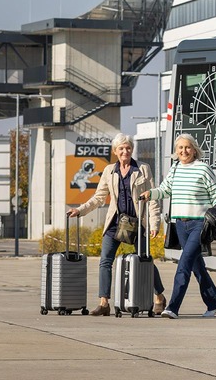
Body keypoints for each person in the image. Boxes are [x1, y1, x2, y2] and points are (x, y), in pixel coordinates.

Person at [67, 134, 167, 316]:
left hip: (137, 222)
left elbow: (152, 199)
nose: (125, 151)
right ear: (115, 152)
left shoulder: (143, 169)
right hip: (115, 222)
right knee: (105, 260)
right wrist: (80, 210)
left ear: (132, 150)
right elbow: (98, 198)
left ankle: (159, 296)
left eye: (128, 148)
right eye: (121, 148)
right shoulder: (108, 171)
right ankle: (104, 302)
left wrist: (154, 224)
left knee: (145, 260)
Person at [140, 133, 216, 319]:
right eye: (180, 148)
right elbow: (165, 190)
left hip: (199, 224)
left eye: (187, 147)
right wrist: (150, 194)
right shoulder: (175, 168)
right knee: (197, 267)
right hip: (180, 224)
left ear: (194, 150)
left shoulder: (203, 169)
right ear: (176, 152)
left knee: (184, 265)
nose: (184, 151)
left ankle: (172, 307)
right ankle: (215, 302)